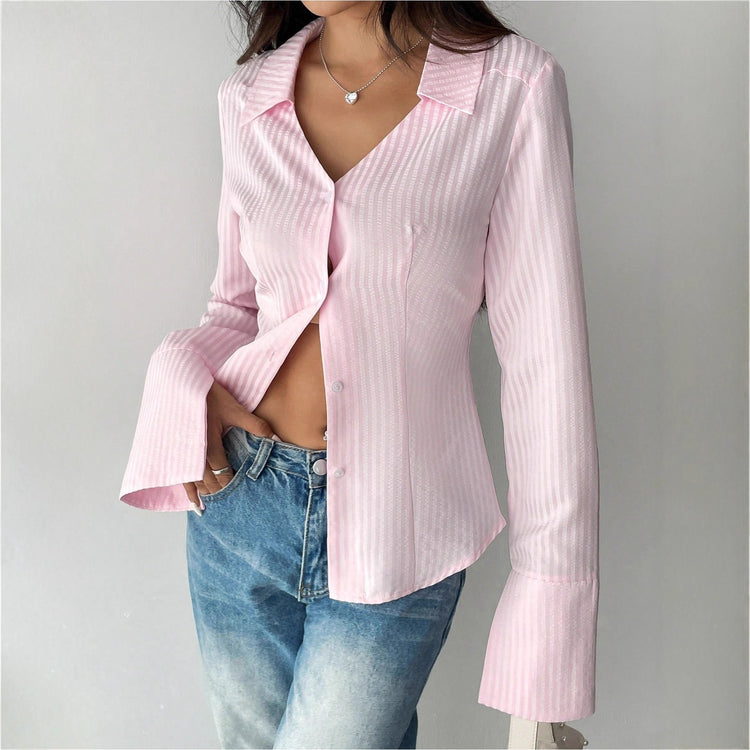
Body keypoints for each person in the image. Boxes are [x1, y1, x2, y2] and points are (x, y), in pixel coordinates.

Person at [119, 2, 600, 748]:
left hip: (402, 519)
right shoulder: (249, 98)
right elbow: (238, 306)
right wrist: (181, 373)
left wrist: (549, 609)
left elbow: (546, 366)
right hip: (241, 496)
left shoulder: (511, 87)